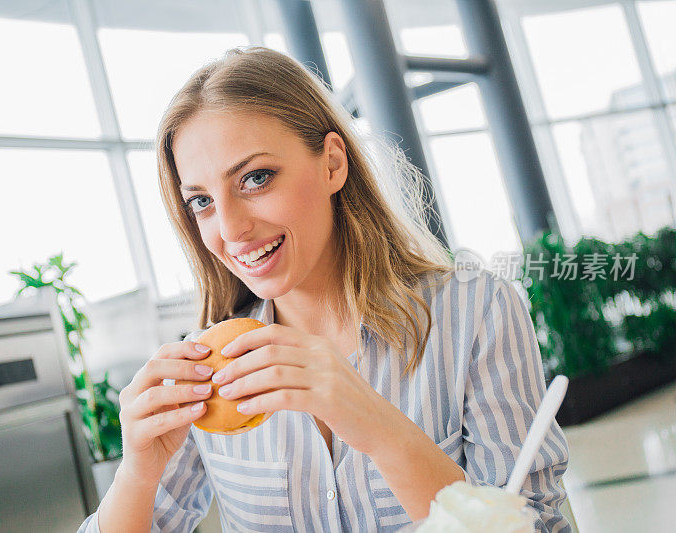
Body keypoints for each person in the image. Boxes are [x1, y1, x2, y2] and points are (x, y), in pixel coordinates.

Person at [77, 46, 570, 533]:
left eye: (255, 178)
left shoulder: (476, 312)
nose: (229, 229)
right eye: (202, 201)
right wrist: (137, 474)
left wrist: (382, 430)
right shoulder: (205, 372)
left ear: (333, 163)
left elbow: (539, 527)